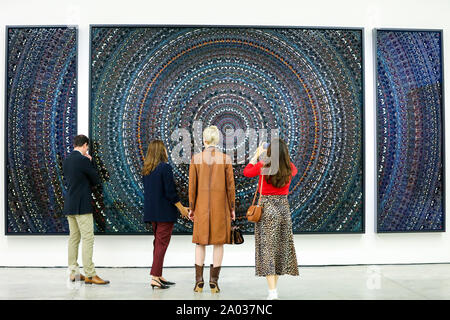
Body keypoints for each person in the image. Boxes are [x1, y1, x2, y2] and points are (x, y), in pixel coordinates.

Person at [243, 138, 299, 300]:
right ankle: (274, 289)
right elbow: (292, 167)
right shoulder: (289, 168)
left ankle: (272, 291)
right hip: (283, 209)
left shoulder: (264, 166)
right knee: (279, 249)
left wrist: (257, 155)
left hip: (267, 209)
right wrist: (282, 155)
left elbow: (247, 172)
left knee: (267, 250)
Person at [188, 125, 236, 293]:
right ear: (217, 140)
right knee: (218, 244)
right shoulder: (225, 159)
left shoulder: (196, 158)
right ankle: (214, 281)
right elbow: (231, 187)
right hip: (220, 207)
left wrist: (192, 208)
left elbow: (192, 187)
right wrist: (232, 208)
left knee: (200, 244)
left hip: (201, 207)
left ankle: (198, 281)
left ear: (205, 140)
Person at [63, 134, 110, 285]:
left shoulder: (67, 160)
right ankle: (90, 274)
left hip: (70, 205)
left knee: (73, 239)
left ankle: (73, 273)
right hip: (82, 206)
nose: (87, 150)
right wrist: (90, 162)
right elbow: (96, 180)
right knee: (88, 239)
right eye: (87, 147)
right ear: (84, 145)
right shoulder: (83, 160)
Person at [142, 140, 189, 289]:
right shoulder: (165, 168)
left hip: (152, 213)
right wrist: (181, 208)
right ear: (162, 151)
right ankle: (155, 278)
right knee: (161, 245)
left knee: (157, 244)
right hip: (164, 213)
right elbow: (170, 192)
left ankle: (158, 275)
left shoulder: (147, 169)